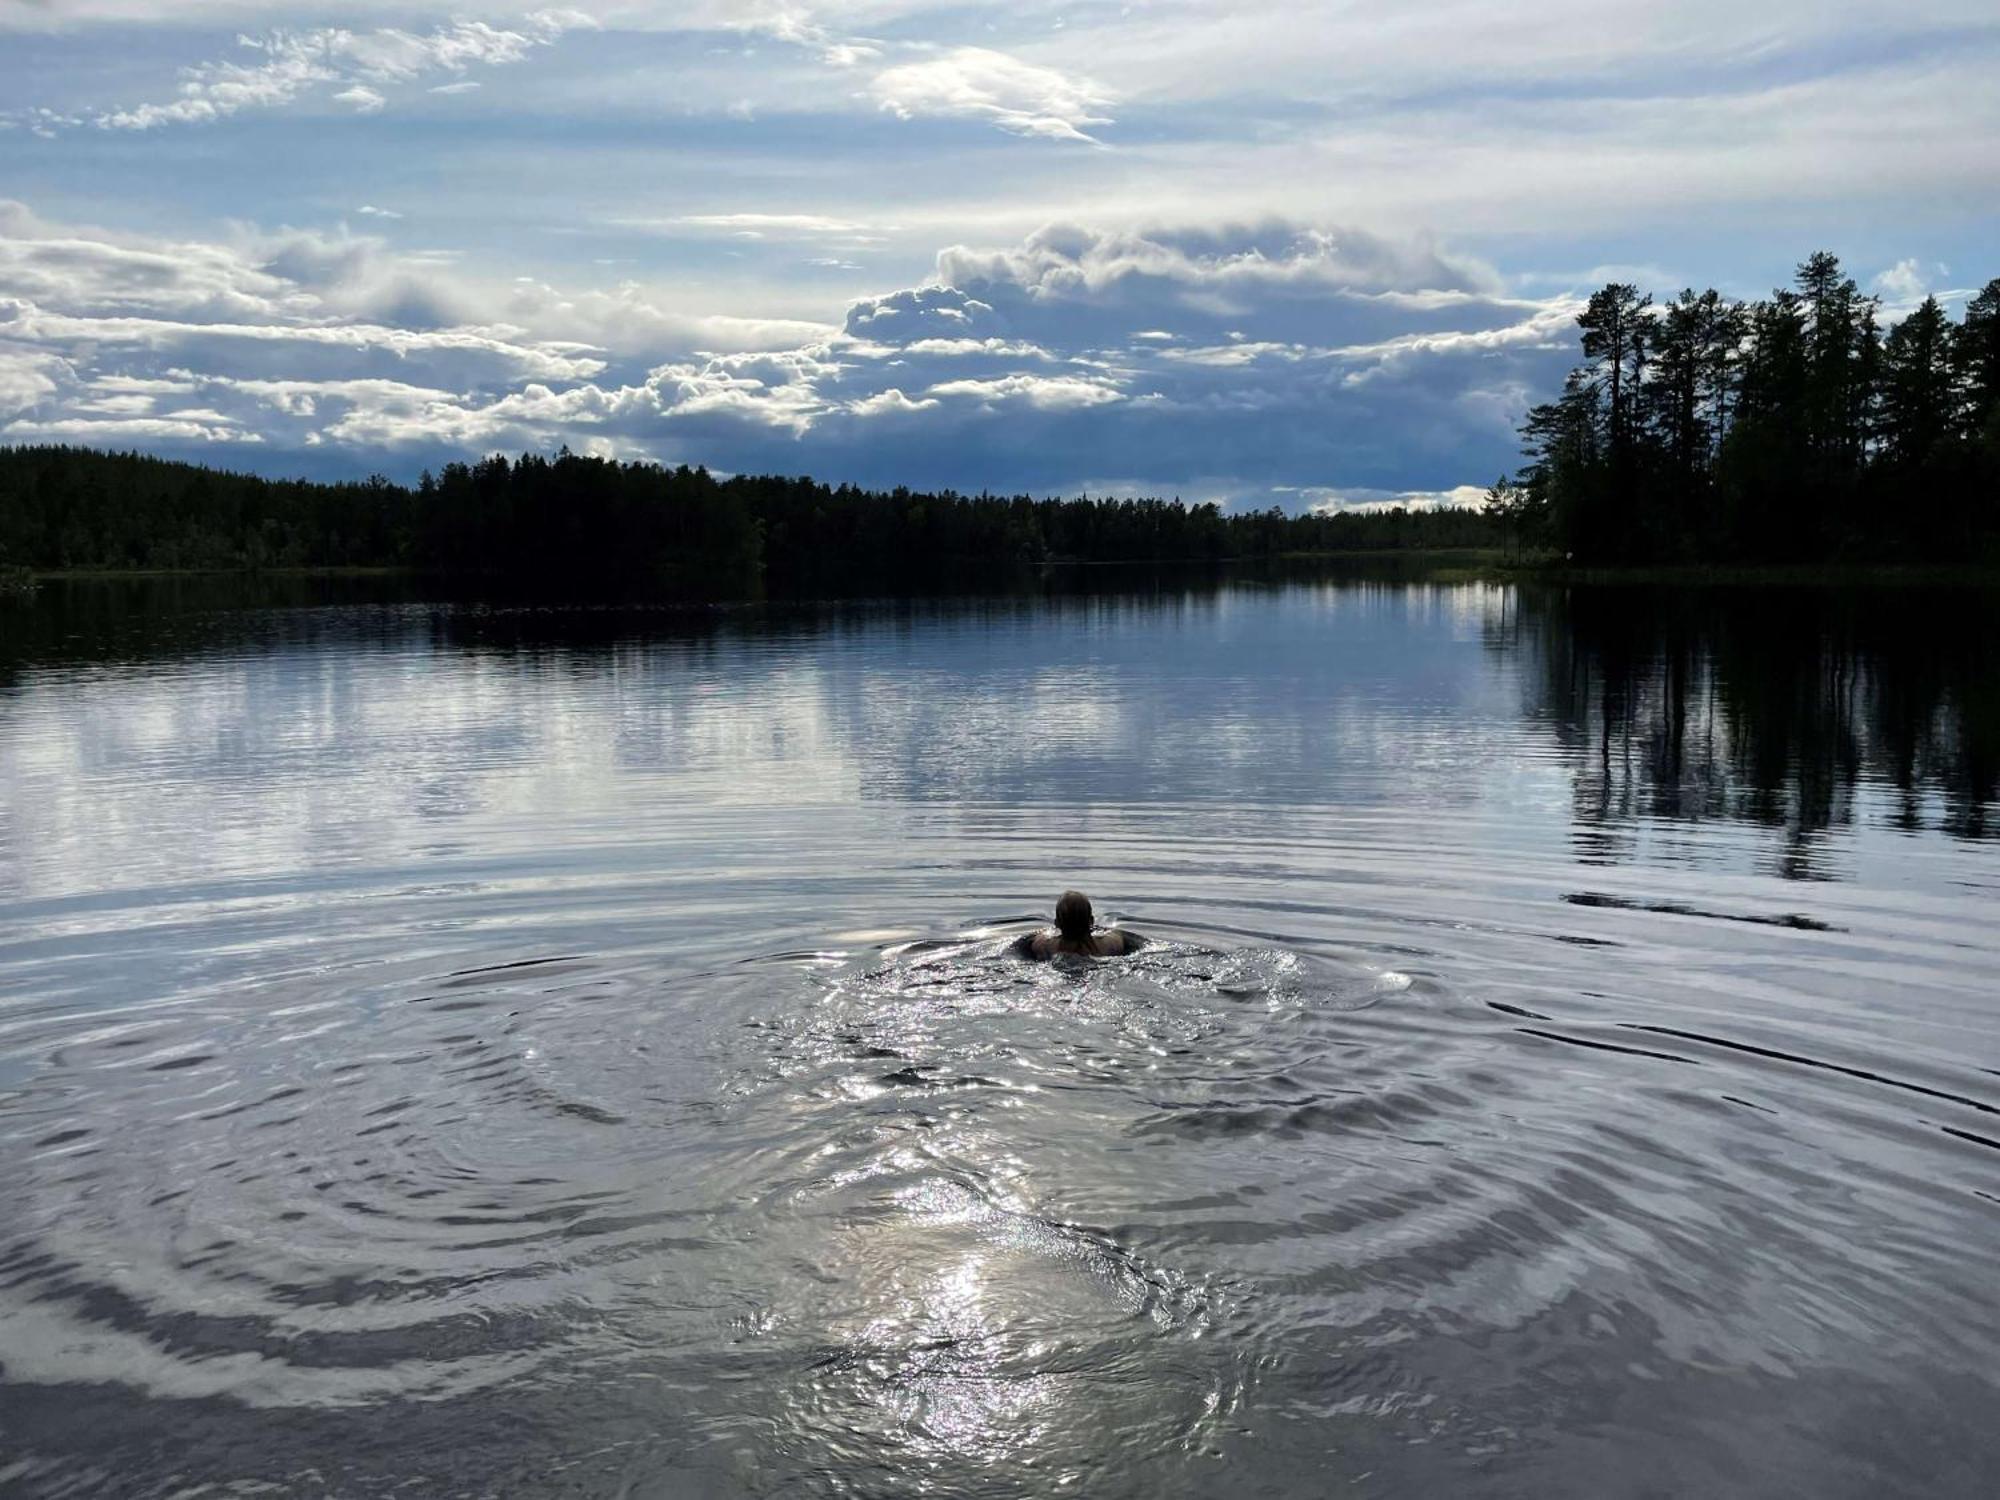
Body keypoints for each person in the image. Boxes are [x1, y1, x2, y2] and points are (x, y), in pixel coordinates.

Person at [1013, 890, 1145, 959]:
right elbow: (1116, 933)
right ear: (1091, 921)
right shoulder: (1110, 944)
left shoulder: (1044, 946)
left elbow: (1039, 935)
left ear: (1057, 923)